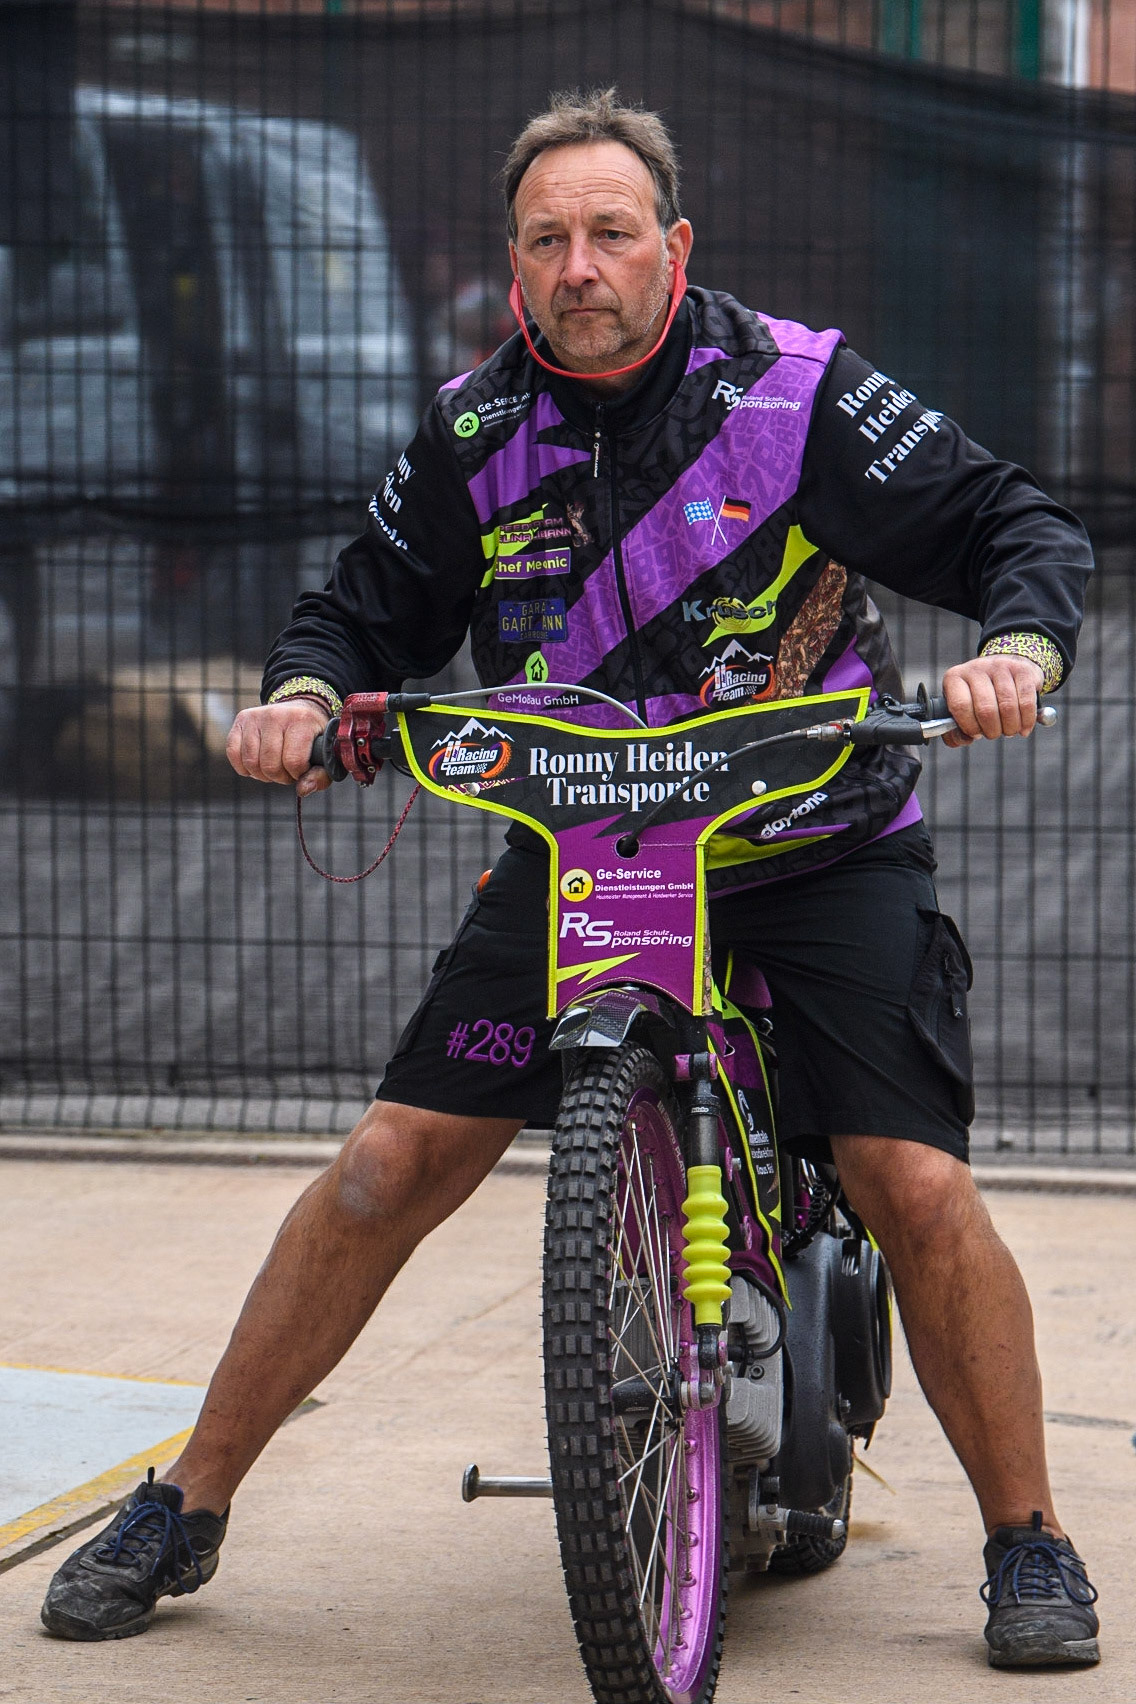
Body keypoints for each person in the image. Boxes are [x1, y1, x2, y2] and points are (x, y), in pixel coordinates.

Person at [41, 89, 1099, 1670]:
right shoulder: (472, 433)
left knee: (915, 1180)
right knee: (389, 1161)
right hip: (588, 854)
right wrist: (305, 699)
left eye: (612, 233)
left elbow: (1010, 522)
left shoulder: (794, 393)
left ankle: (1030, 1543)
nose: (579, 266)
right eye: (548, 239)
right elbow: (354, 615)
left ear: (675, 246)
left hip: (814, 843)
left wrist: (1017, 650)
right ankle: (187, 1500)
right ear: (512, 261)